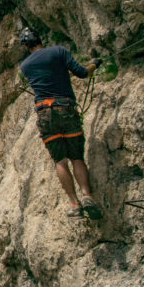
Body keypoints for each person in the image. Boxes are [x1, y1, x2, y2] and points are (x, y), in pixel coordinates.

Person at [18, 27, 103, 219]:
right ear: (40, 39)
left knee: (60, 161)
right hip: (66, 109)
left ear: (25, 46)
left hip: (45, 114)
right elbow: (81, 73)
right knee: (76, 157)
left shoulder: (25, 66)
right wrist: (94, 64)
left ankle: (74, 204)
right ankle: (87, 195)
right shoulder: (58, 51)